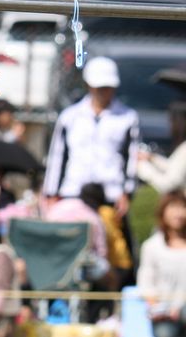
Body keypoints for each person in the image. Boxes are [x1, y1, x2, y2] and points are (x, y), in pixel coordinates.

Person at [43, 56, 140, 219]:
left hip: (111, 195)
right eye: (99, 87)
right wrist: (51, 192)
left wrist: (127, 193)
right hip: (72, 192)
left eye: (107, 86)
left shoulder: (128, 117)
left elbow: (131, 158)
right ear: (88, 85)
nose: (104, 91)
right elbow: (58, 157)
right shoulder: (70, 116)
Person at [137, 189, 186, 337]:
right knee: (165, 335)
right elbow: (146, 283)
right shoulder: (151, 246)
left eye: (182, 207)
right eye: (173, 207)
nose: (178, 213)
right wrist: (159, 308)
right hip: (165, 314)